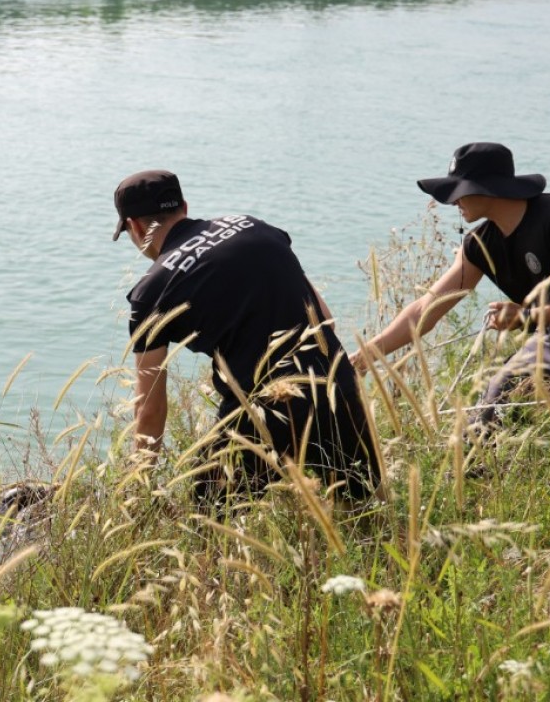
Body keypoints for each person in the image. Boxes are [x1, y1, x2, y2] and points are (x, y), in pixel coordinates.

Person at [112, 169, 379, 506]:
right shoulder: (256, 227)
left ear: (135, 226)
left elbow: (150, 409)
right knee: (366, 518)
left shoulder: (150, 290)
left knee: (209, 528)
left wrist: (137, 491)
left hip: (262, 411)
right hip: (337, 384)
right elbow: (324, 319)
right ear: (184, 206)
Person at [352, 142, 550, 440]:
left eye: (459, 190)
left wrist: (528, 316)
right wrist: (365, 357)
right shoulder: (480, 245)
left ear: (486, 187)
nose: (453, 201)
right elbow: (425, 310)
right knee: (484, 415)